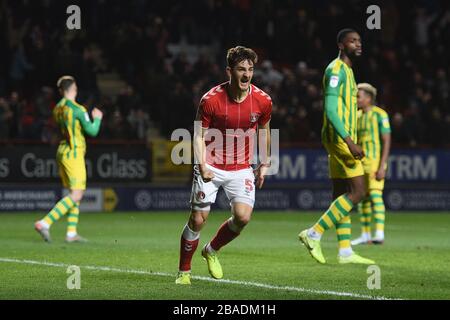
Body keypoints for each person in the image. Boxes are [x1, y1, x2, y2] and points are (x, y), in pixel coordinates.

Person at [176, 46, 272, 284]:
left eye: (250, 69)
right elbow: (198, 135)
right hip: (211, 164)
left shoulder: (262, 100)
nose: (247, 74)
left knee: (242, 217)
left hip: (241, 167)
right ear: (229, 71)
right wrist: (203, 165)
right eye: (241, 69)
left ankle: (211, 250)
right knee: (198, 219)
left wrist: (265, 162)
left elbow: (264, 130)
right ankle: (184, 272)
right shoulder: (211, 100)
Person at [298, 29, 375, 264]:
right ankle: (313, 234)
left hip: (339, 138)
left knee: (341, 194)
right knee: (359, 191)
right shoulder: (336, 70)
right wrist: (349, 141)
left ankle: (344, 251)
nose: (358, 44)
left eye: (360, 41)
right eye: (353, 41)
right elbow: (330, 110)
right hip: (340, 139)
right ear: (341, 45)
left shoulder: (349, 72)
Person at [34, 76, 103, 243]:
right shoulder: (78, 109)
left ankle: (71, 233)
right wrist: (98, 118)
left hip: (62, 150)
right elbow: (92, 131)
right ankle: (45, 223)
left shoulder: (57, 108)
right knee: (77, 194)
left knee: (74, 193)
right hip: (74, 153)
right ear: (74, 89)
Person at [352, 83, 391, 245]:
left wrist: (382, 165)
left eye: (359, 96)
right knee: (363, 199)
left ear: (368, 98)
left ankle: (379, 233)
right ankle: (365, 235)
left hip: (375, 163)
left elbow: (386, 140)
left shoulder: (380, 115)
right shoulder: (358, 116)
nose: (356, 99)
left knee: (375, 195)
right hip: (361, 164)